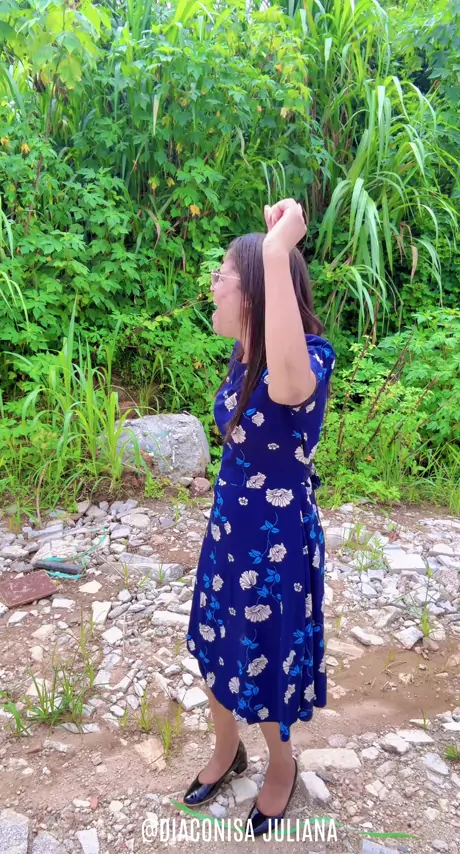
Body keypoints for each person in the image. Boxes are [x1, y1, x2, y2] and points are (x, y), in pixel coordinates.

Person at [183, 198, 336, 835]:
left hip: (276, 548)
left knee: (267, 658)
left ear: (255, 289)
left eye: (222, 274)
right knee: (216, 643)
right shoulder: (244, 359)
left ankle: (282, 765)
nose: (213, 285)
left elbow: (290, 389)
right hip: (229, 534)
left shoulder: (305, 360)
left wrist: (277, 249)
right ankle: (227, 749)